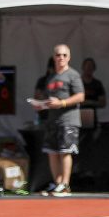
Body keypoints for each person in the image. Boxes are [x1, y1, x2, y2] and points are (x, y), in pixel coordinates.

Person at [31, 44, 84, 197]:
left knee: (65, 152)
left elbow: (81, 96)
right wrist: (41, 105)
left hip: (68, 120)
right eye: (58, 55)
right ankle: (57, 183)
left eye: (64, 55)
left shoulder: (73, 75)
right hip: (52, 120)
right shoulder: (51, 77)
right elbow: (49, 99)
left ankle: (65, 185)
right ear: (54, 57)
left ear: (69, 57)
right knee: (52, 152)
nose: (61, 58)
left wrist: (62, 103)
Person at [80, 57, 107, 127]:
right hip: (76, 115)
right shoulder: (76, 83)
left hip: (91, 116)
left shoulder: (97, 84)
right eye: (87, 66)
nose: (89, 68)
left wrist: (90, 102)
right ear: (83, 67)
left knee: (89, 135)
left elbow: (103, 103)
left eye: (91, 66)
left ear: (94, 69)